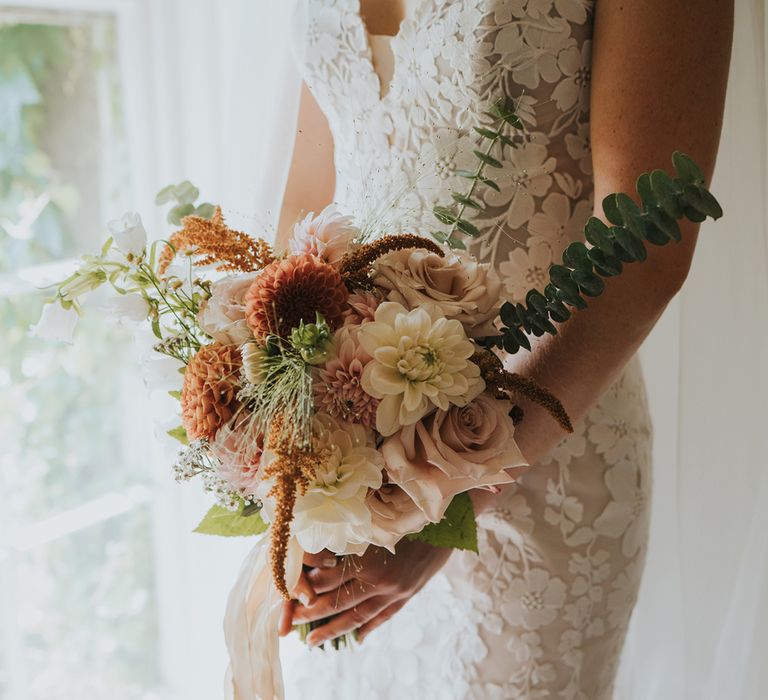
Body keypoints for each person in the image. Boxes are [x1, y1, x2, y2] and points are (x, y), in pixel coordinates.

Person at [274, 0, 733, 697]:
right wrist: (285, 453)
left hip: (544, 445)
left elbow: (649, 243)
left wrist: (449, 504)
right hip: (349, 459)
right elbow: (307, 199)